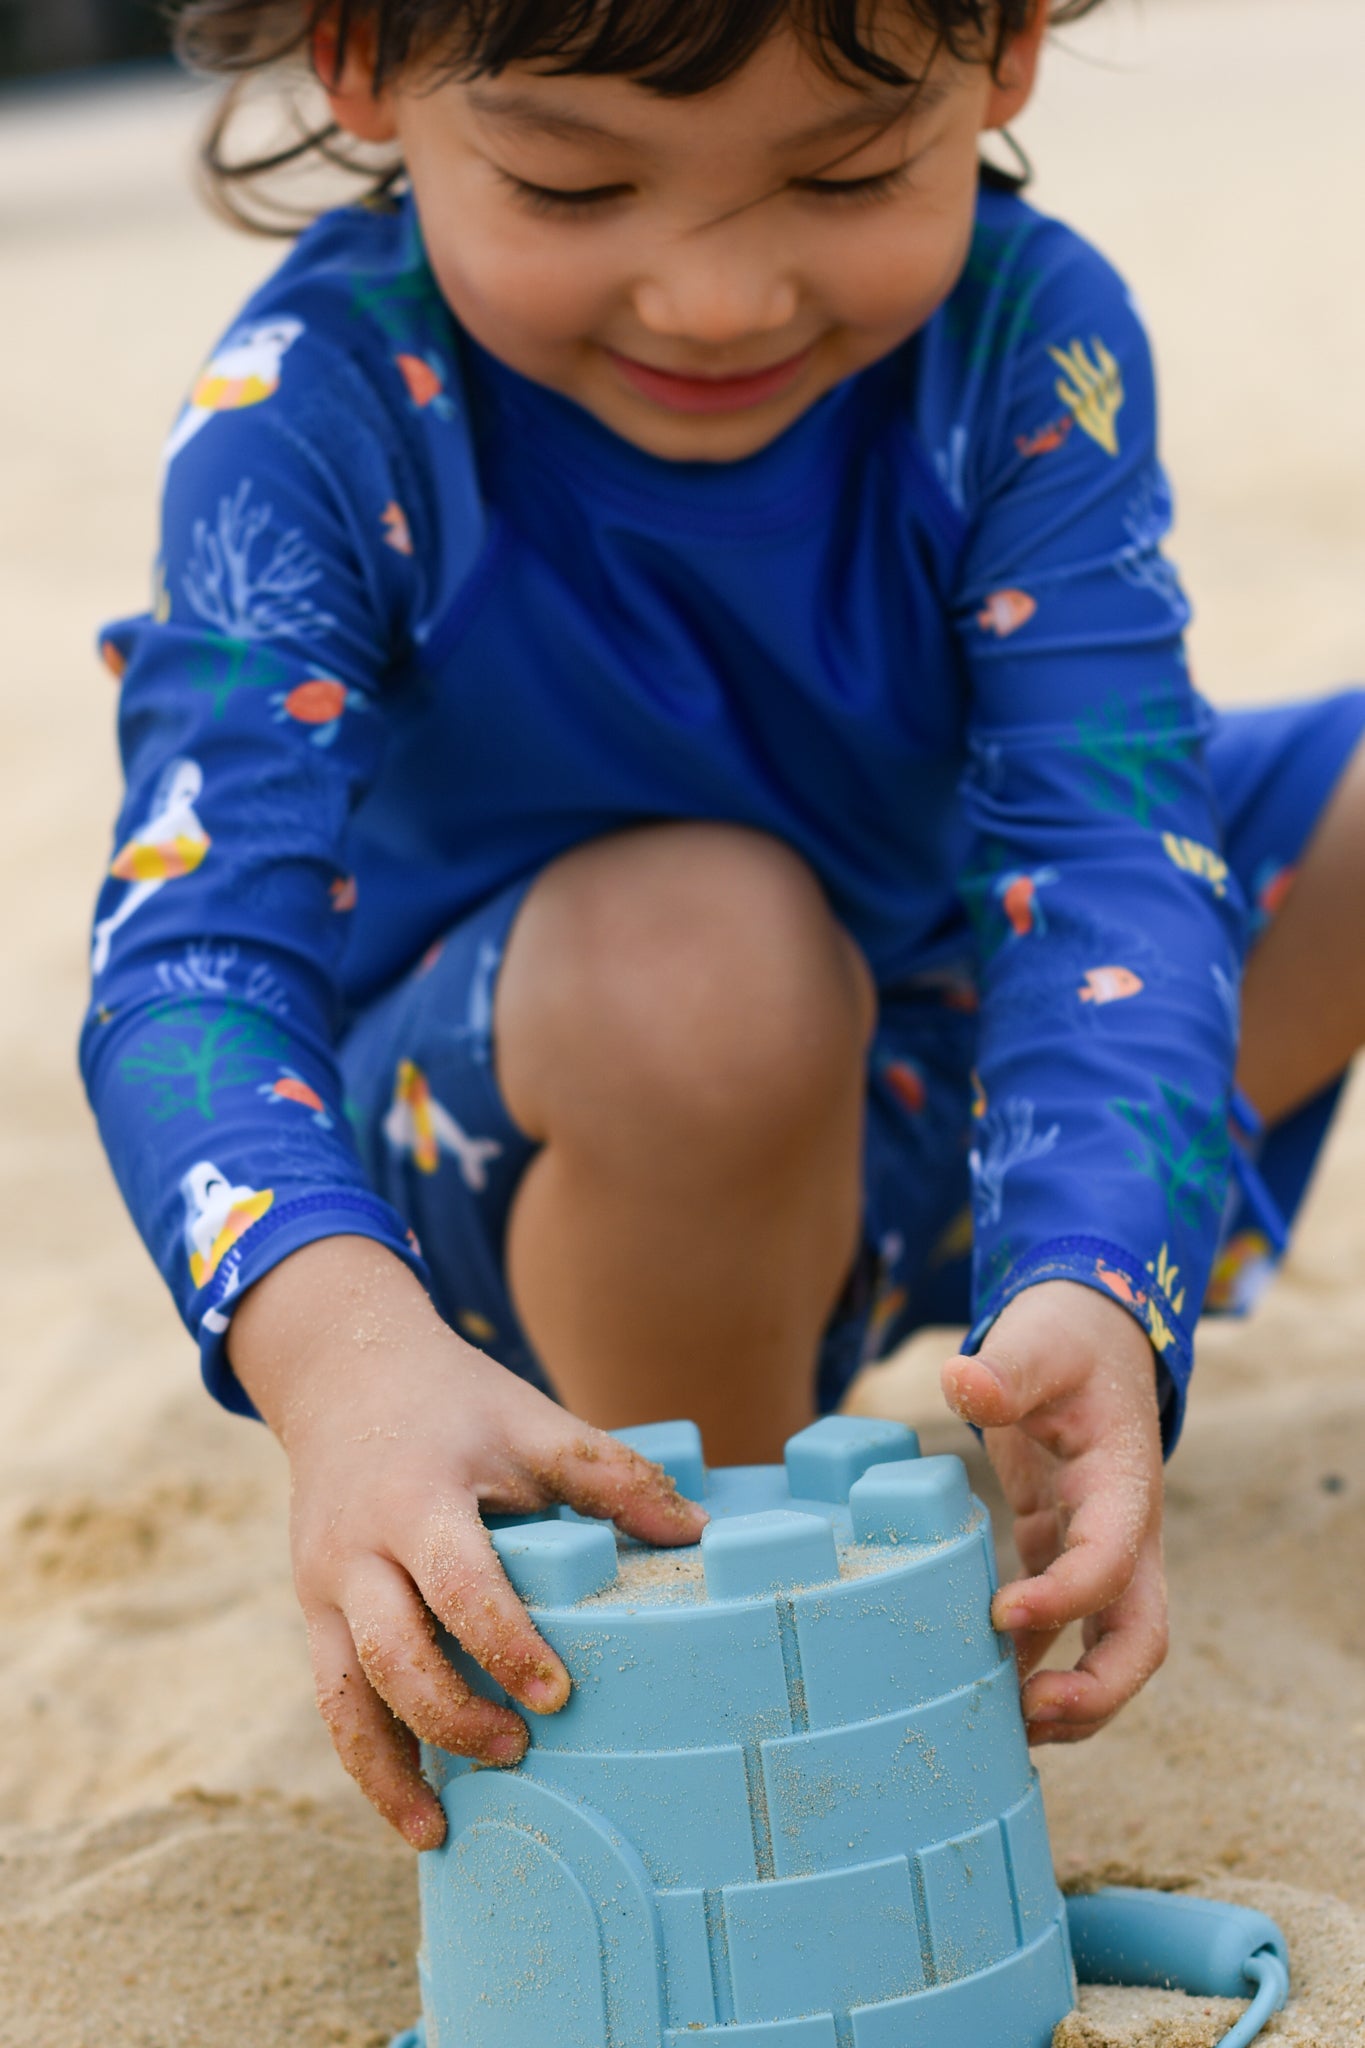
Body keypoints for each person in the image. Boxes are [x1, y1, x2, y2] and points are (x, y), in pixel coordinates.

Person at [82, 0, 1365, 1855]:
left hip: (936, 1066)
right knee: (706, 964)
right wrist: (341, 1361)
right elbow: (190, 960)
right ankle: (717, 1584)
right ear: (358, 65)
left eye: (842, 171)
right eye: (571, 180)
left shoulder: (1018, 331)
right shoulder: (317, 406)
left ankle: (1019, 1337)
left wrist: (1096, 1275)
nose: (713, 296)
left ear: (998, 53)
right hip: (522, 1154)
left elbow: (1105, 852)